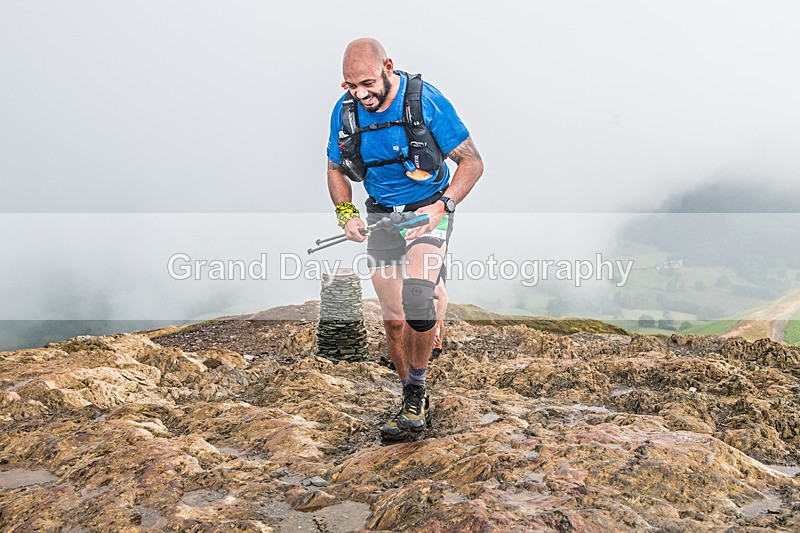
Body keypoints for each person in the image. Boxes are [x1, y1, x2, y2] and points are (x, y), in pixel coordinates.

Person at [326, 38, 483, 440]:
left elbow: (472, 162)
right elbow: (335, 169)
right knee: (394, 322)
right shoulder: (345, 114)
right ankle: (411, 389)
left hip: (428, 210)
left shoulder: (425, 101)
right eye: (350, 86)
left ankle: (415, 394)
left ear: (388, 67)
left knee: (417, 299)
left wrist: (442, 207)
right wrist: (347, 216)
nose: (361, 94)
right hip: (382, 217)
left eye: (367, 83)